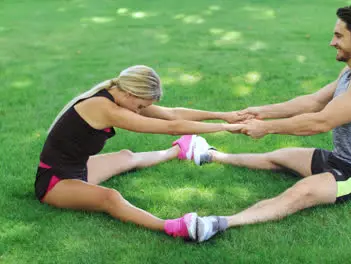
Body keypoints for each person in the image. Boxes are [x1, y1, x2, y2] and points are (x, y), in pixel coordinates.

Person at [194, 4, 351, 242]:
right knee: (278, 157)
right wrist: (260, 112)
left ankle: (218, 223)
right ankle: (214, 155)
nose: (332, 42)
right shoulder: (350, 74)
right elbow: (313, 102)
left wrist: (265, 128)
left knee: (300, 193)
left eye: (339, 35)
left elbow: (320, 122)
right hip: (338, 158)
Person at [35, 65, 244, 240]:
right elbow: (172, 127)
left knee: (126, 156)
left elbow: (172, 115)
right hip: (55, 182)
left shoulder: (121, 96)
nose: (138, 110)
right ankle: (172, 227)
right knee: (110, 197)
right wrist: (226, 129)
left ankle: (180, 149)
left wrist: (224, 116)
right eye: (140, 106)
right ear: (130, 94)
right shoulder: (104, 108)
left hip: (80, 168)